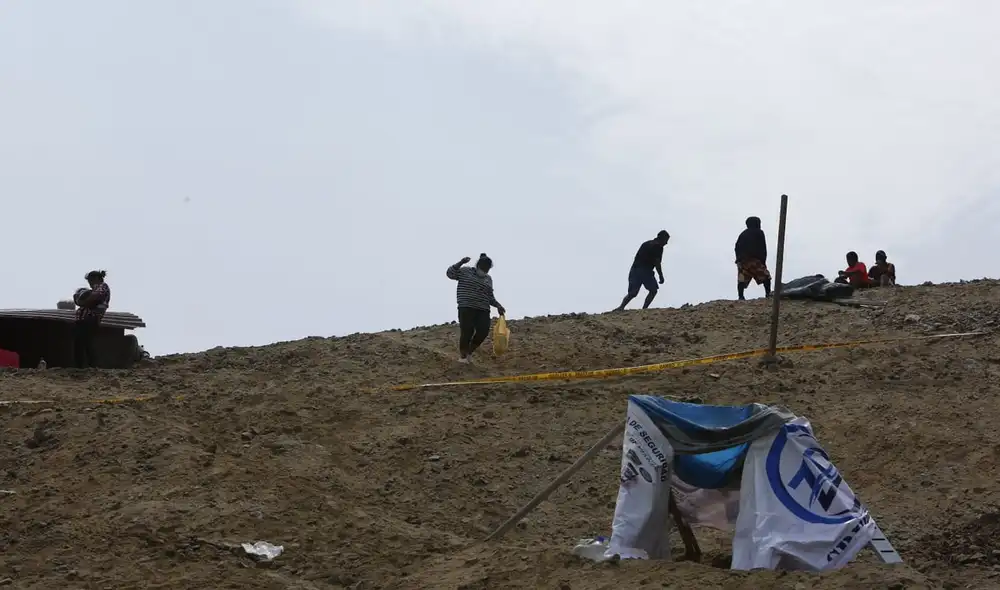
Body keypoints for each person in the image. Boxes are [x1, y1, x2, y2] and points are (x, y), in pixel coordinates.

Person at [446, 253, 505, 363]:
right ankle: (463, 357)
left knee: (483, 331)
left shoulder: (488, 279)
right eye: (483, 269)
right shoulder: (465, 271)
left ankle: (469, 351)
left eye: (487, 270)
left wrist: (498, 305)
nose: (485, 271)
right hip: (466, 306)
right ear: (478, 266)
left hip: (483, 309)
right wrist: (461, 263)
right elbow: (450, 274)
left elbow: (490, 296)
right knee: (467, 331)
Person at [615, 230, 670, 311]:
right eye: (666, 240)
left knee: (633, 293)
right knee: (653, 290)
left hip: (635, 269)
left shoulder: (646, 243)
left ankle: (621, 307)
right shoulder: (658, 247)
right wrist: (661, 276)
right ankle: (644, 309)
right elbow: (657, 262)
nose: (666, 243)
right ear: (661, 238)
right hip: (645, 271)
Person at [74, 270, 111, 368]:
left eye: (90, 281)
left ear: (96, 279)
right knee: (81, 343)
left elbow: (93, 299)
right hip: (83, 319)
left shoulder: (103, 286)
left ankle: (91, 367)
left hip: (90, 318)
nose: (89, 284)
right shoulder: (92, 290)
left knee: (86, 343)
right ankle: (83, 367)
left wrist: (83, 301)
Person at [734, 216, 771, 300]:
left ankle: (740, 296)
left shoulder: (743, 234)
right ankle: (768, 294)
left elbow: (737, 247)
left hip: (742, 261)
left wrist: (739, 260)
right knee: (766, 276)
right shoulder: (759, 232)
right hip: (754, 259)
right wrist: (763, 261)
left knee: (742, 279)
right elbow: (762, 248)